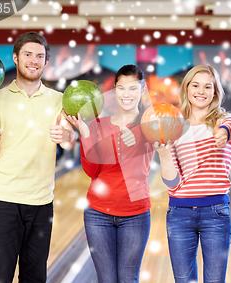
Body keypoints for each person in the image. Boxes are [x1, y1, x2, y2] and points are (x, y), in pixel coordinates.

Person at [0, 32, 76, 282]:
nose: (33, 60)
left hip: (41, 203)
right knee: (0, 277)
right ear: (16, 58)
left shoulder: (59, 100)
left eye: (40, 56)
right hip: (2, 201)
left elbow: (69, 143)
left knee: (35, 277)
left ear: (46, 62)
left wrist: (67, 137)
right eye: (28, 54)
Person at [64, 65, 154, 283]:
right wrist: (85, 133)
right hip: (98, 214)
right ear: (114, 90)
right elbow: (91, 171)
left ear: (142, 90)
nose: (126, 94)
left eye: (133, 88)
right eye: (121, 88)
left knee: (127, 278)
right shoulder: (98, 125)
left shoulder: (150, 125)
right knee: (106, 279)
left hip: (135, 214)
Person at [155, 64, 231, 283]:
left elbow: (230, 129)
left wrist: (222, 134)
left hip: (216, 213)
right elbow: (173, 184)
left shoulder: (225, 121)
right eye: (196, 85)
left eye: (207, 86)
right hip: (179, 213)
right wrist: (163, 155)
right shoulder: (174, 127)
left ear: (215, 92)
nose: (201, 91)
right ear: (187, 89)